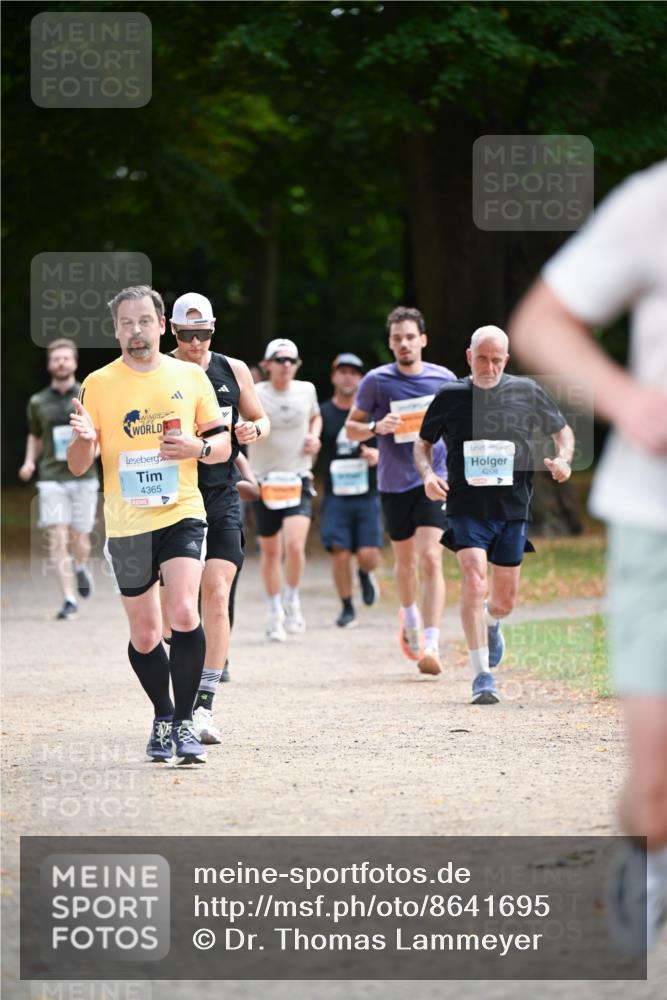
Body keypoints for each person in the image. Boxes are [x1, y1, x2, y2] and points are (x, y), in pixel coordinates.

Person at [509, 159, 667, 949]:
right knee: (658, 786)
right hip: (657, 518)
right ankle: (647, 861)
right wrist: (629, 402)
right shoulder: (655, 201)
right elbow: (540, 323)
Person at [67, 285, 231, 766]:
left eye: (144, 322)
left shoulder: (189, 376)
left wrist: (197, 450)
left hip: (181, 508)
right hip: (126, 520)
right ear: (116, 330)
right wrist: (82, 440)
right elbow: (80, 464)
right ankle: (162, 715)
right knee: (144, 634)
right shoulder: (98, 383)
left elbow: (221, 446)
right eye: (125, 324)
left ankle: (184, 725)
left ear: (162, 325)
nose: (135, 332)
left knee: (183, 611)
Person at [415, 325, 574, 704]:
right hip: (466, 507)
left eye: (497, 359)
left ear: (507, 360)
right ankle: (482, 675)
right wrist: (427, 474)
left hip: (513, 508)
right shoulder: (450, 395)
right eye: (482, 358)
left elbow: (562, 432)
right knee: (473, 581)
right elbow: (423, 444)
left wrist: (564, 459)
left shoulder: (527, 391)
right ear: (470, 357)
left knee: (503, 600)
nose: (489, 366)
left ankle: (491, 621)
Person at [165, 291, 269, 744]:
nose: (196, 342)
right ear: (173, 331)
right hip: (173, 497)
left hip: (222, 493)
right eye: (187, 335)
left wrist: (252, 430)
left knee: (218, 590)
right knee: (179, 610)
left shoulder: (234, 369)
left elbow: (260, 420)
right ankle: (178, 689)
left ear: (213, 329)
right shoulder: (161, 373)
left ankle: (203, 707)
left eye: (203, 333)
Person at [346, 306, 456, 675]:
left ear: (422, 340)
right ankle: (408, 617)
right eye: (397, 338)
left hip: (434, 478)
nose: (404, 344)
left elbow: (459, 425)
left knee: (431, 558)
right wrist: (378, 425)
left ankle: (432, 643)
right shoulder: (377, 381)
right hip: (394, 482)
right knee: (406, 562)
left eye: (410, 337)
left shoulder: (443, 378)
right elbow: (351, 430)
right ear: (390, 344)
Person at [19, 338, 99, 621]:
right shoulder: (38, 402)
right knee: (57, 536)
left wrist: (96, 450)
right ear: (49, 364)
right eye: (56, 359)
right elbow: (35, 435)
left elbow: (100, 431)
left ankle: (80, 566)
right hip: (51, 477)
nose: (61, 363)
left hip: (84, 476)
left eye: (66, 358)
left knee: (80, 536)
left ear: (75, 362)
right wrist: (29, 461)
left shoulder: (89, 395)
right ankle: (68, 599)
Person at [247, 338, 321, 641]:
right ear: (268, 365)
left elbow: (316, 416)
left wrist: (314, 437)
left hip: (297, 478)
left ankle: (292, 598)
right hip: (265, 481)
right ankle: (274, 610)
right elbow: (244, 421)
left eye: (291, 360)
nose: (286, 365)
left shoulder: (307, 390)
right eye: (280, 360)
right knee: (271, 551)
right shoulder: (256, 393)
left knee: (294, 545)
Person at [318, 353, 382, 628]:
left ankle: (366, 573)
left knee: (368, 554)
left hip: (367, 494)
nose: (347, 376)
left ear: (361, 378)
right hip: (336, 495)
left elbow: (388, 448)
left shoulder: (371, 413)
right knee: (340, 552)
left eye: (354, 372)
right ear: (333, 376)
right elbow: (312, 448)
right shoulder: (323, 413)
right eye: (342, 371)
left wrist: (376, 457)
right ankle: (346, 606)